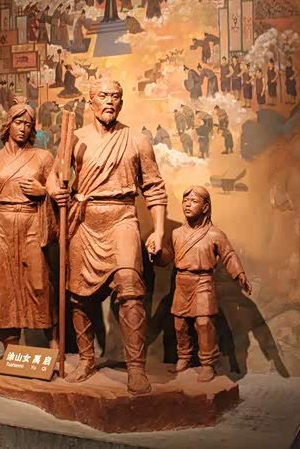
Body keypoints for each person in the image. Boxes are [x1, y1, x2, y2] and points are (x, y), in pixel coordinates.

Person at [47, 78, 167, 395]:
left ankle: (136, 368)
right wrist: (57, 190)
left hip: (122, 217)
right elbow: (53, 176)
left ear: (122, 103)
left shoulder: (137, 140)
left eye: (115, 96)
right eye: (103, 96)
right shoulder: (75, 138)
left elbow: (154, 188)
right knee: (78, 296)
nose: (110, 101)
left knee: (130, 287)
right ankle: (87, 359)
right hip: (84, 220)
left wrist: (158, 230)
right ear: (92, 102)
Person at [0, 103, 58, 356]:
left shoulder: (43, 157)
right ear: (8, 125)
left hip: (32, 222)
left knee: (39, 284)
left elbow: (61, 194)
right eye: (18, 123)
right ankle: (11, 349)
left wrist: (43, 192)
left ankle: (54, 345)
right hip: (0, 226)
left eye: (28, 124)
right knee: (3, 287)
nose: (23, 128)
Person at [153, 186, 251, 382]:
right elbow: (168, 257)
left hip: (203, 281)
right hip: (182, 282)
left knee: (204, 324)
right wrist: (156, 253)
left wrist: (239, 273)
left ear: (205, 207)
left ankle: (207, 363)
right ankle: (184, 357)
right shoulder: (177, 234)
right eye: (185, 201)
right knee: (179, 324)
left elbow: (228, 255)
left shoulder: (215, 234)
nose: (187, 205)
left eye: (194, 201)